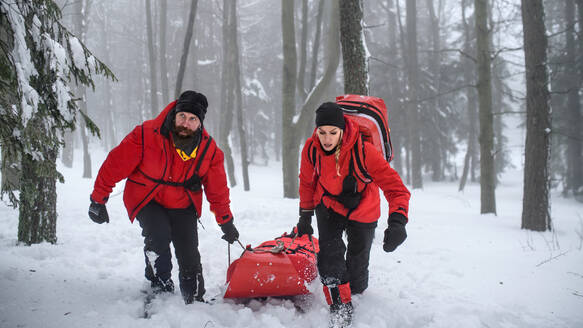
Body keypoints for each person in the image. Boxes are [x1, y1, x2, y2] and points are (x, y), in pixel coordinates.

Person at [88, 90, 239, 304]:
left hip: (183, 201)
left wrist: (226, 222)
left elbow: (218, 190)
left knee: (188, 249)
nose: (185, 123)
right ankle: (160, 287)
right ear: (175, 114)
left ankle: (193, 296)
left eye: (192, 119)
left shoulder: (209, 151)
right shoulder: (147, 134)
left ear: (200, 123)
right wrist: (98, 199)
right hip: (146, 197)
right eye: (182, 116)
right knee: (158, 236)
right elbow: (115, 164)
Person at [296, 102, 411, 326]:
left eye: (333, 132)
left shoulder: (365, 151)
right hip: (328, 204)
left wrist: (398, 221)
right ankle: (340, 306)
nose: (326, 139)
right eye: (322, 132)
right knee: (330, 258)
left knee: (357, 274)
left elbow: (396, 188)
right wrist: (305, 215)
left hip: (363, 208)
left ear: (342, 130)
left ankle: (355, 293)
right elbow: (306, 182)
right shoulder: (311, 149)